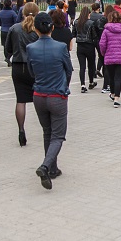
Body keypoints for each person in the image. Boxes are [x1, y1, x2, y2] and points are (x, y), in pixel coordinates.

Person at [25, 12, 73, 189]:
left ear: (35, 29)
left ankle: (52, 168)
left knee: (47, 132)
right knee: (58, 136)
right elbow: (68, 70)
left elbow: (31, 71)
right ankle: (46, 167)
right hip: (57, 96)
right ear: (52, 27)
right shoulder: (60, 47)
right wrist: (64, 86)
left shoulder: (31, 48)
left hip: (39, 95)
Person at [7, 2, 40, 146]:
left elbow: (7, 48)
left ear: (22, 13)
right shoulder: (38, 30)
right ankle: (46, 128)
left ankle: (21, 129)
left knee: (20, 100)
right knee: (40, 98)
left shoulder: (14, 28)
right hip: (35, 67)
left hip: (18, 66)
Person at [99, 8, 121, 108]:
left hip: (109, 57)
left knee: (111, 77)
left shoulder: (106, 30)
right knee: (118, 78)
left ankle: (113, 93)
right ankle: (117, 98)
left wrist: (104, 53)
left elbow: (102, 44)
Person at [0, 0, 20, 66]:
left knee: (5, 46)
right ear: (10, 4)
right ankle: (8, 57)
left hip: (3, 30)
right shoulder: (12, 13)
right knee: (12, 45)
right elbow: (16, 21)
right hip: (11, 30)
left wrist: (3, 25)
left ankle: (7, 58)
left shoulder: (0, 13)